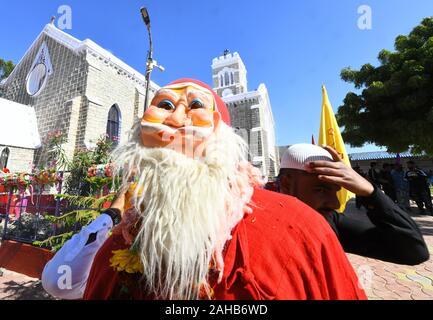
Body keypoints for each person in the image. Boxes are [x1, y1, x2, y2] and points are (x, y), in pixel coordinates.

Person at [41, 79, 366, 300]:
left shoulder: (299, 228)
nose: (177, 118)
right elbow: (58, 281)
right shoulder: (117, 247)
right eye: (165, 105)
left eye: (194, 105)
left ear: (221, 136)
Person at [278, 144, 429, 265]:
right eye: (321, 190)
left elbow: (414, 251)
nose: (335, 204)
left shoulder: (329, 221)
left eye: (336, 191)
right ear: (286, 183)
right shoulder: (259, 222)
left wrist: (371, 192)